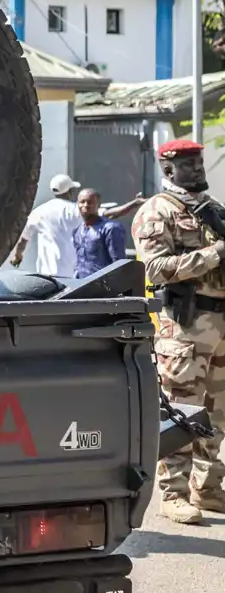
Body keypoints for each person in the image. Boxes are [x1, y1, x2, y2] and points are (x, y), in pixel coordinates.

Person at [132, 139, 225, 525]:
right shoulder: (157, 211)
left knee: (218, 413)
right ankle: (173, 494)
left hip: (220, 324)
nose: (197, 170)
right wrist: (214, 254)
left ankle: (208, 489)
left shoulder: (214, 209)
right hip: (184, 325)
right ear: (168, 170)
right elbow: (154, 267)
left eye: (198, 162)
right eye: (187, 164)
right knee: (182, 412)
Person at [10, 174, 82, 277]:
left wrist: (17, 257)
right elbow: (98, 216)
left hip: (46, 273)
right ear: (70, 192)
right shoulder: (75, 210)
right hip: (71, 272)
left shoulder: (39, 211)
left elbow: (23, 239)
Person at [71, 188, 129, 278]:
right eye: (82, 202)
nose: (86, 205)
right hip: (80, 286)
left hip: (103, 286)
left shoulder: (111, 228)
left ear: (98, 205)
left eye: (90, 202)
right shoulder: (77, 231)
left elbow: (119, 264)